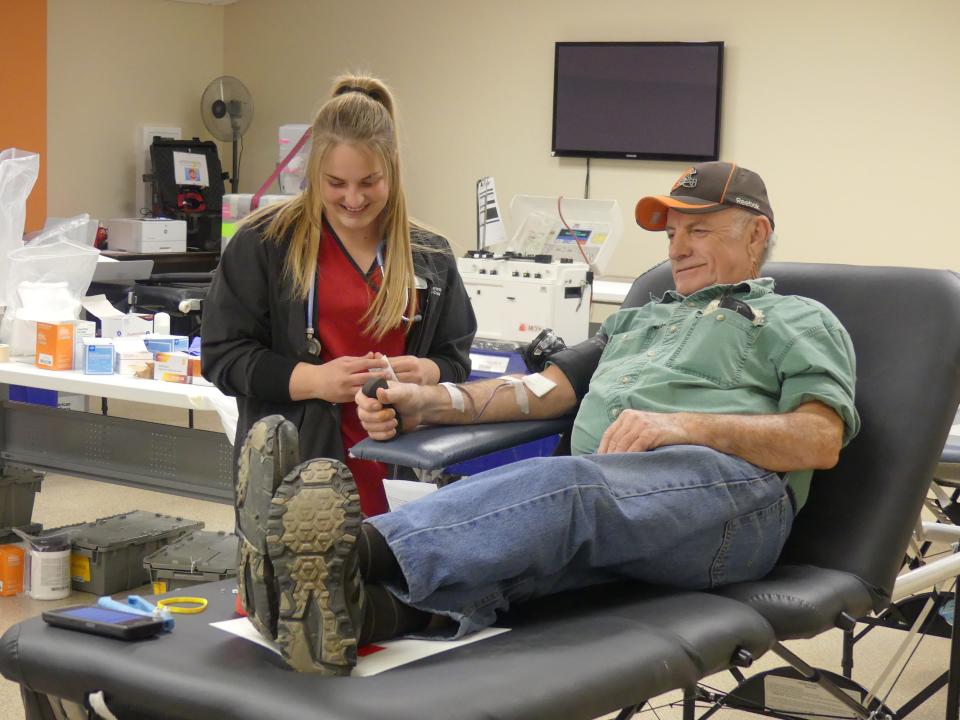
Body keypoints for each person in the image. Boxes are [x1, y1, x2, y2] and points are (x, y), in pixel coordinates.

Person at [235, 161, 860, 675]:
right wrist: (433, 401)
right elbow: (539, 390)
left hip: (736, 504)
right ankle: (343, 613)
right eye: (670, 232)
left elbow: (820, 438)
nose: (676, 247)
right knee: (534, 548)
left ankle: (339, 553)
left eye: (699, 230)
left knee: (567, 490)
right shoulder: (641, 318)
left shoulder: (798, 320)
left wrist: (683, 427)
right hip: (624, 500)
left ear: (756, 235)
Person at [202, 74, 476, 519]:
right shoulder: (266, 242)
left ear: (392, 171)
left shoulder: (429, 255)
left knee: (389, 580)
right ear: (314, 173)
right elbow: (223, 357)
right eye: (336, 183)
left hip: (398, 467)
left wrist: (424, 372)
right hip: (297, 469)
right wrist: (316, 381)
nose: (353, 199)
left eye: (369, 182)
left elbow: (456, 360)